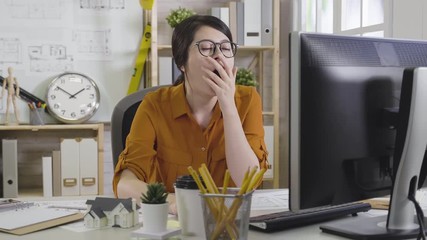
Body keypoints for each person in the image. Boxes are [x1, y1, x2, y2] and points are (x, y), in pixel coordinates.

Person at [113, 15, 268, 214]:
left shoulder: (247, 100)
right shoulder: (155, 105)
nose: (219, 56)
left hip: (227, 221)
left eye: (226, 48)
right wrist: (174, 203)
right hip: (172, 222)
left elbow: (249, 181)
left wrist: (228, 105)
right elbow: (125, 185)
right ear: (182, 63)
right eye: (206, 48)